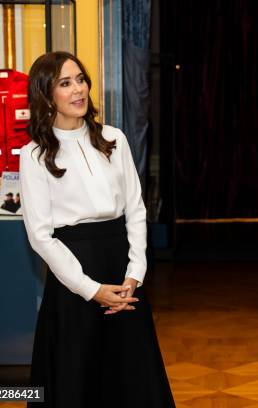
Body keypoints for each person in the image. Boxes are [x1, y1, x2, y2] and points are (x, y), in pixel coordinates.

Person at [20, 51, 175, 408]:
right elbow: (41, 236)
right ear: (46, 94)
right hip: (74, 277)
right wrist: (90, 290)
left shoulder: (114, 138)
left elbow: (136, 209)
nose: (78, 89)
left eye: (80, 79)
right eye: (65, 83)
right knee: (75, 379)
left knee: (131, 377)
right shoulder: (34, 155)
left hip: (122, 275)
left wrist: (135, 273)